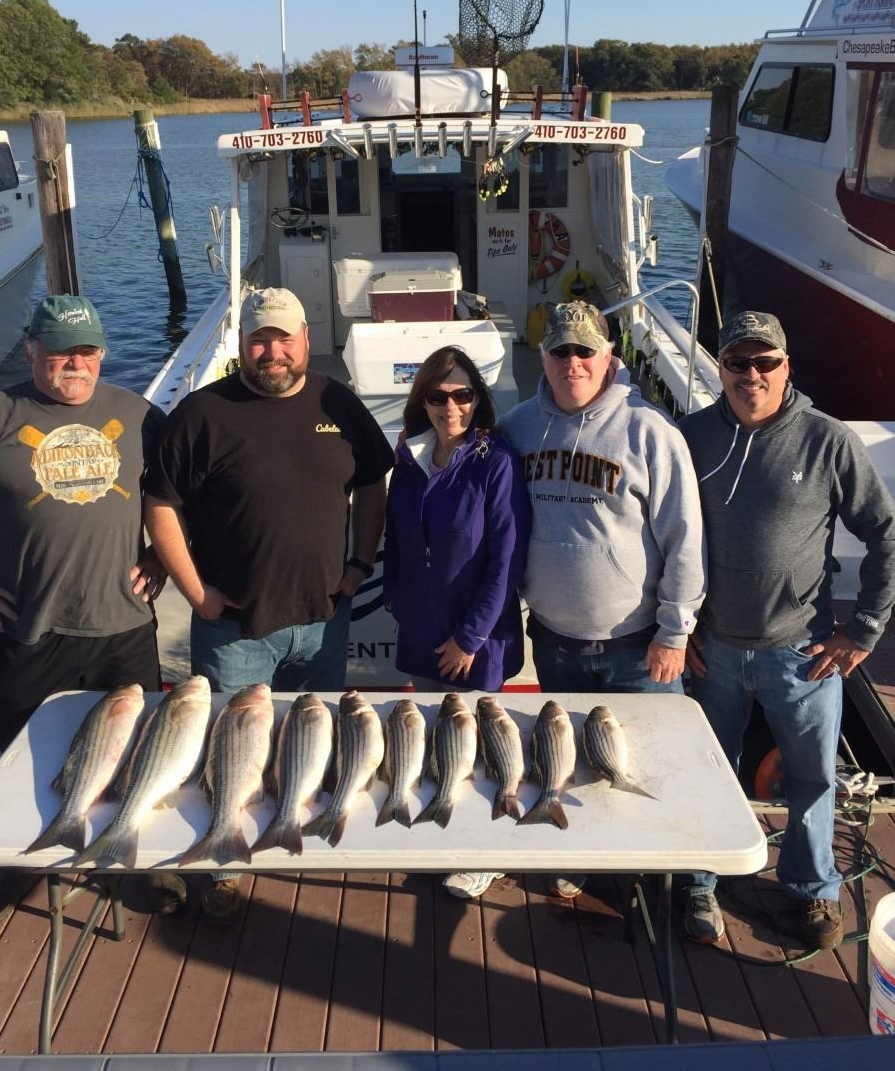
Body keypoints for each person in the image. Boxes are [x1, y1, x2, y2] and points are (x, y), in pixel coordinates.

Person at [144, 286, 393, 920]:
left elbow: (372, 483)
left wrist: (359, 566)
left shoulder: (338, 402)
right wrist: (196, 592)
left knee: (312, 747)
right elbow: (161, 504)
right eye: (259, 340)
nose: (272, 352)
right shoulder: (203, 412)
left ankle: (299, 830)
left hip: (323, 622)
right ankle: (221, 863)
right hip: (234, 629)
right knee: (226, 755)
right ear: (242, 344)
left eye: (284, 338)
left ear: (306, 338)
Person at [0, 294, 176, 926]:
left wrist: (160, 555)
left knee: (137, 756)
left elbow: (185, 494)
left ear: (102, 352)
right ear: (30, 350)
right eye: (61, 352)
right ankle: (19, 866)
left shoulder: (139, 415)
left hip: (123, 628)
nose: (75, 364)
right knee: (20, 764)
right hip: (28, 629)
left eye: (87, 351)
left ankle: (138, 860)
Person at [680, 310, 895, 950]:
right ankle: (700, 880)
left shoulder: (829, 440)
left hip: (802, 652)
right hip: (712, 649)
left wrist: (863, 631)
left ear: (786, 367)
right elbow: (659, 536)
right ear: (720, 368)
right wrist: (675, 627)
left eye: (765, 362)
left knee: (812, 778)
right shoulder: (691, 436)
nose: (751, 374)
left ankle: (812, 887)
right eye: (737, 362)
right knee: (708, 771)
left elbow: (885, 534)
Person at [498, 299, 705, 905]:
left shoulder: (651, 431)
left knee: (662, 767)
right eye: (560, 350)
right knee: (569, 766)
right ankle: (583, 855)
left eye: (585, 350)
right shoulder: (517, 428)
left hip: (638, 646)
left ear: (608, 356)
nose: (573, 363)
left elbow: (684, 538)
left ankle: (686, 880)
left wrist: (674, 631)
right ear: (543, 357)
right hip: (554, 639)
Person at [383, 347, 530, 900]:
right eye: (439, 396)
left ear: (478, 399)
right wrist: (397, 598)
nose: (451, 407)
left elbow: (505, 562)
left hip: (476, 641)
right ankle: (441, 837)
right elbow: (397, 538)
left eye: (463, 394)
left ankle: (483, 853)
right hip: (422, 630)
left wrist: (469, 638)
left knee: (480, 752)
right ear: (422, 400)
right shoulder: (410, 457)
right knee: (433, 748)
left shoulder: (497, 462)